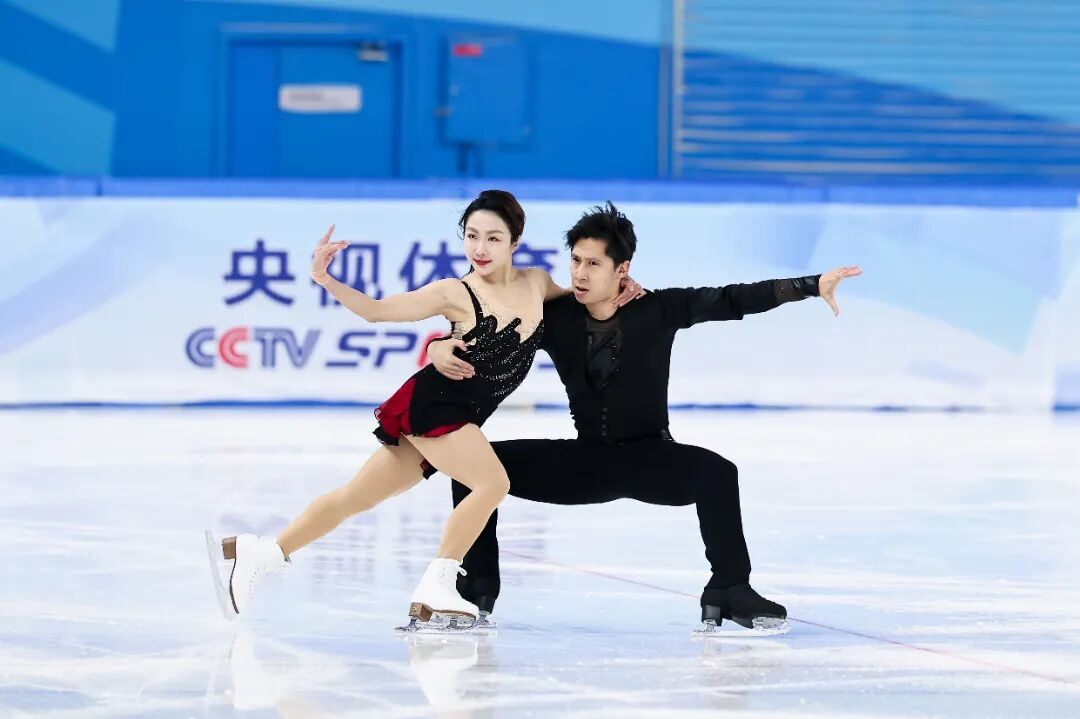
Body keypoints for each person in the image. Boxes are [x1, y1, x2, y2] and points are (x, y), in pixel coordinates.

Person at [208, 190, 642, 624]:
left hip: (457, 416)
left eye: (493, 238)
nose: (480, 248)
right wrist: (326, 280)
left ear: (515, 242)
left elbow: (587, 299)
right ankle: (437, 588)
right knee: (492, 484)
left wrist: (624, 286)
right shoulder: (454, 291)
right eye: (472, 236)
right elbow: (379, 312)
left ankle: (259, 553)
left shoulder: (537, 283)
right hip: (436, 406)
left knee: (354, 498)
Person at [429, 202, 862, 632]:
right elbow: (487, 327)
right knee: (473, 468)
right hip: (587, 463)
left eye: (594, 263)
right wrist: (439, 346)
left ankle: (729, 589)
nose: (579, 273)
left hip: (649, 458)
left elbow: (734, 298)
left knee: (717, 473)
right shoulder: (554, 318)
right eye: (576, 261)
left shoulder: (658, 309)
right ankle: (476, 588)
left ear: (622, 268)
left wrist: (810, 284)